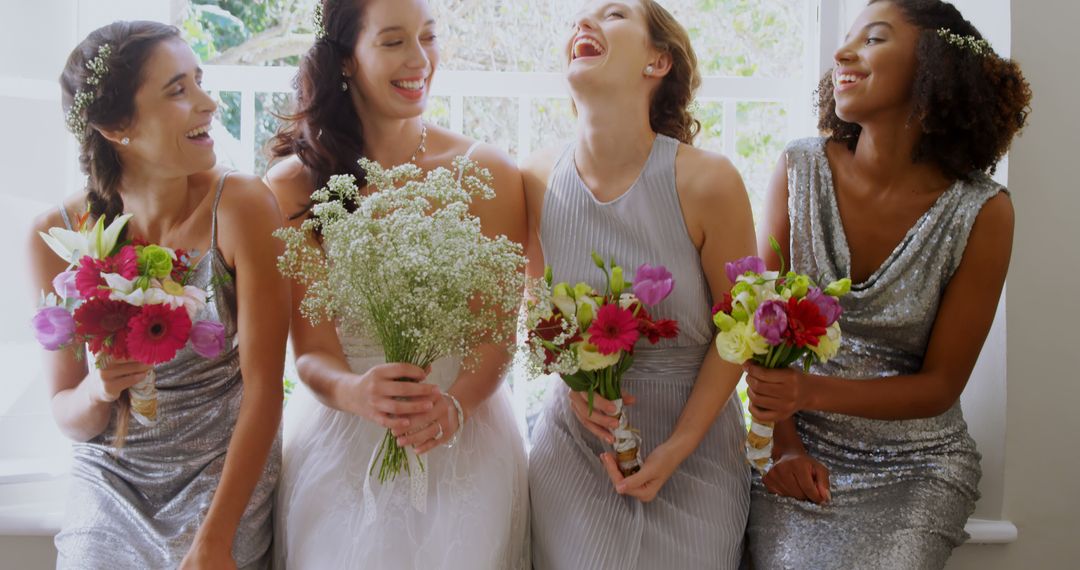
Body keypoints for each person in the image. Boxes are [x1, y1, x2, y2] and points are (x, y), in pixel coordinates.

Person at [744, 1, 1031, 568]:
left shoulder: (982, 211)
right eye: (846, 38)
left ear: (934, 68)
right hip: (797, 447)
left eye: (873, 39)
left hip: (918, 464)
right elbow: (759, 326)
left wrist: (808, 392)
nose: (843, 53)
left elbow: (940, 385)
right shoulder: (798, 169)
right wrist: (785, 444)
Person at [265, 0, 529, 567]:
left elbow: (496, 335)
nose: (420, 60)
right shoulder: (292, 186)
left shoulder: (488, 173)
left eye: (428, 37)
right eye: (392, 42)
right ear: (345, 61)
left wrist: (454, 407)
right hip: (343, 436)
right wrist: (354, 392)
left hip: (464, 436)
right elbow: (310, 351)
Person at [27, 20, 289, 569]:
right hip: (110, 480)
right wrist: (98, 390)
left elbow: (265, 391)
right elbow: (67, 414)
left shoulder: (242, 206)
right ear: (116, 126)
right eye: (179, 90)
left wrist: (216, 538)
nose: (209, 103)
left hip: (219, 478)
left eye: (199, 81)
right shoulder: (57, 236)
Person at [524, 1, 756, 567]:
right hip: (578, 449)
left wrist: (677, 447)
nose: (584, 23)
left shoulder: (710, 180)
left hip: (696, 448)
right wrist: (577, 389)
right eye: (577, 17)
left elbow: (745, 323)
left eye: (613, 14)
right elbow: (537, 310)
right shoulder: (532, 178)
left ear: (658, 61)